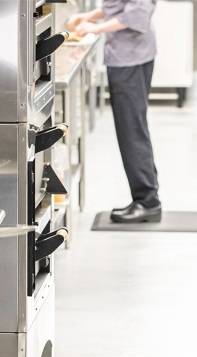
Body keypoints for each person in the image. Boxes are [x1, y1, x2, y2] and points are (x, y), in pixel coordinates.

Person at [67, 0, 163, 224]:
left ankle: (148, 201)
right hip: (126, 55)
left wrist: (95, 28)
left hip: (131, 59)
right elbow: (119, 6)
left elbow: (137, 13)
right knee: (132, 130)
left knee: (132, 131)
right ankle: (146, 196)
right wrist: (90, 16)